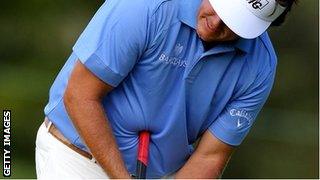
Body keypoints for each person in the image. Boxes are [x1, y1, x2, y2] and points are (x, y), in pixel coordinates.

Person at [35, 0, 297, 178]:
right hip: (74, 157)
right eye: (218, 5)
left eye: (233, 25)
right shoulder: (145, 7)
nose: (216, 23)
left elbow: (209, 157)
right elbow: (80, 95)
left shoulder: (260, 65)